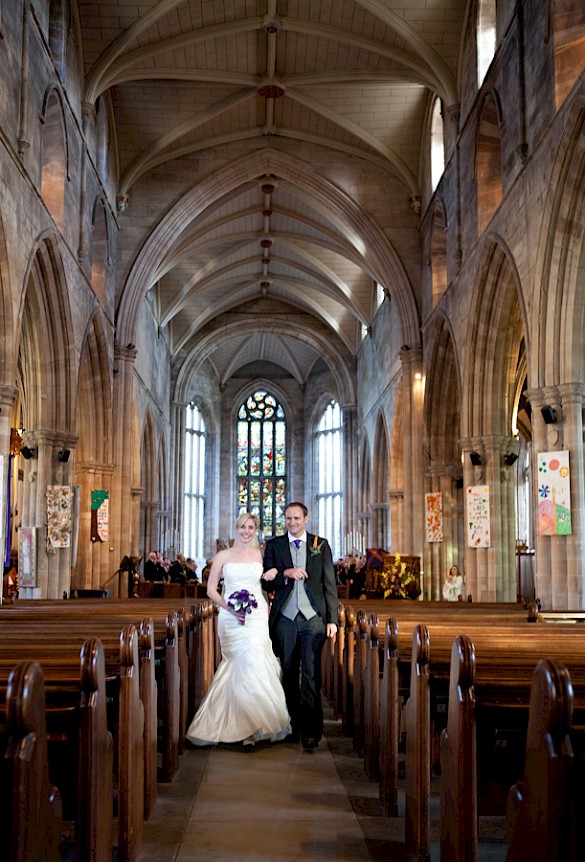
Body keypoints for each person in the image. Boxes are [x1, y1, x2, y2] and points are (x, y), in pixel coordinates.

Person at [186, 513, 290, 749]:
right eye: (243, 527)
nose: (246, 531)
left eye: (251, 527)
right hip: (230, 617)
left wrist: (272, 573)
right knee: (236, 663)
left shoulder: (260, 554)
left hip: (256, 616)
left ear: (256, 530)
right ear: (237, 529)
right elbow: (211, 589)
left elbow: (267, 581)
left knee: (254, 661)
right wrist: (229, 607)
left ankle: (251, 728)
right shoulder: (223, 555)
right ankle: (232, 723)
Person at [262, 501, 338, 751]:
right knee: (288, 671)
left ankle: (312, 731)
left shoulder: (320, 545)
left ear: (306, 519)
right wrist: (285, 573)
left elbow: (329, 585)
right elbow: (267, 583)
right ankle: (292, 725)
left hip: (314, 618)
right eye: (288, 519)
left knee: (311, 674)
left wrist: (332, 621)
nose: (292, 522)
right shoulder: (274, 546)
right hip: (285, 618)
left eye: (296, 518)